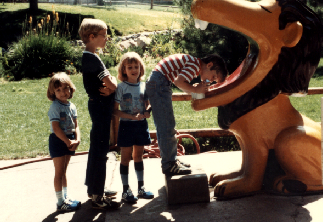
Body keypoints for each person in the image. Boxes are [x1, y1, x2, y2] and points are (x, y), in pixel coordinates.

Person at [145, 54, 228, 176]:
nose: (211, 80)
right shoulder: (195, 65)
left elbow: (181, 84)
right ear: (209, 65)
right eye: (214, 76)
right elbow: (179, 82)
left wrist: (195, 90)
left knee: (167, 124)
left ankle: (171, 160)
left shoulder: (193, 63)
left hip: (159, 82)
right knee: (166, 125)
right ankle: (169, 164)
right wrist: (196, 90)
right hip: (159, 84)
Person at [79, 18, 120, 210]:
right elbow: (111, 84)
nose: (107, 39)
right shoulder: (92, 59)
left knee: (97, 147)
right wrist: (114, 87)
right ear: (92, 37)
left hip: (98, 106)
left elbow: (108, 80)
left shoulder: (90, 57)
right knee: (100, 150)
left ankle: (94, 188)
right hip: (101, 108)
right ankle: (97, 197)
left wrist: (111, 84)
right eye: (104, 36)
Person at [113, 52, 154, 203]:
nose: (133, 70)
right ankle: (125, 190)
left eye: (136, 66)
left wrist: (147, 111)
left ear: (141, 68)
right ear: (123, 70)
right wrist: (131, 117)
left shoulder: (144, 85)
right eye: (129, 67)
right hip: (126, 126)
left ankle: (141, 188)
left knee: (138, 156)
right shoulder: (121, 87)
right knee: (125, 158)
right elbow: (114, 110)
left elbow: (147, 103)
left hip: (141, 125)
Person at [47, 72, 81, 212]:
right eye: (58, 90)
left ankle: (66, 197)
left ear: (70, 88)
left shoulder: (71, 106)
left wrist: (77, 139)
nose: (63, 92)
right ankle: (60, 202)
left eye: (65, 88)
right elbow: (56, 128)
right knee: (59, 172)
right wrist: (67, 141)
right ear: (53, 92)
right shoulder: (55, 107)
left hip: (70, 139)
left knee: (64, 171)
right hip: (59, 141)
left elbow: (76, 125)